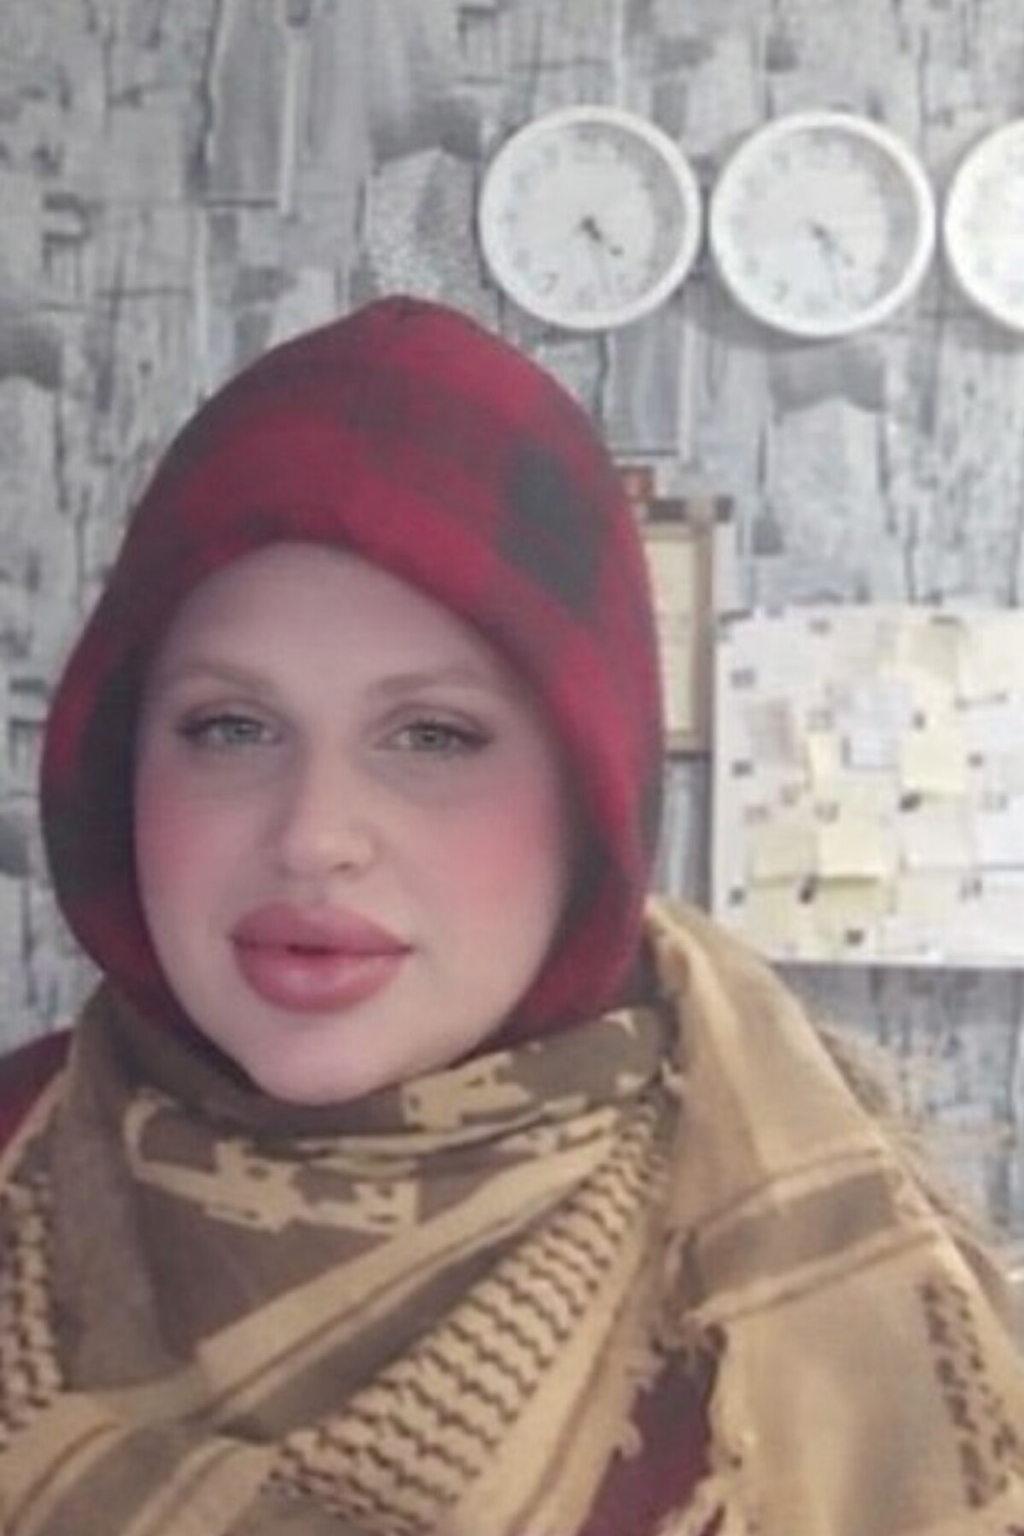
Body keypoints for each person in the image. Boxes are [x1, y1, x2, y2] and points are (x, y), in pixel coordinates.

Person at [0, 295, 1022, 1536]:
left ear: (590, 799)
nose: (314, 833)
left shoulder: (829, 1319)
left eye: (433, 735)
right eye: (230, 726)